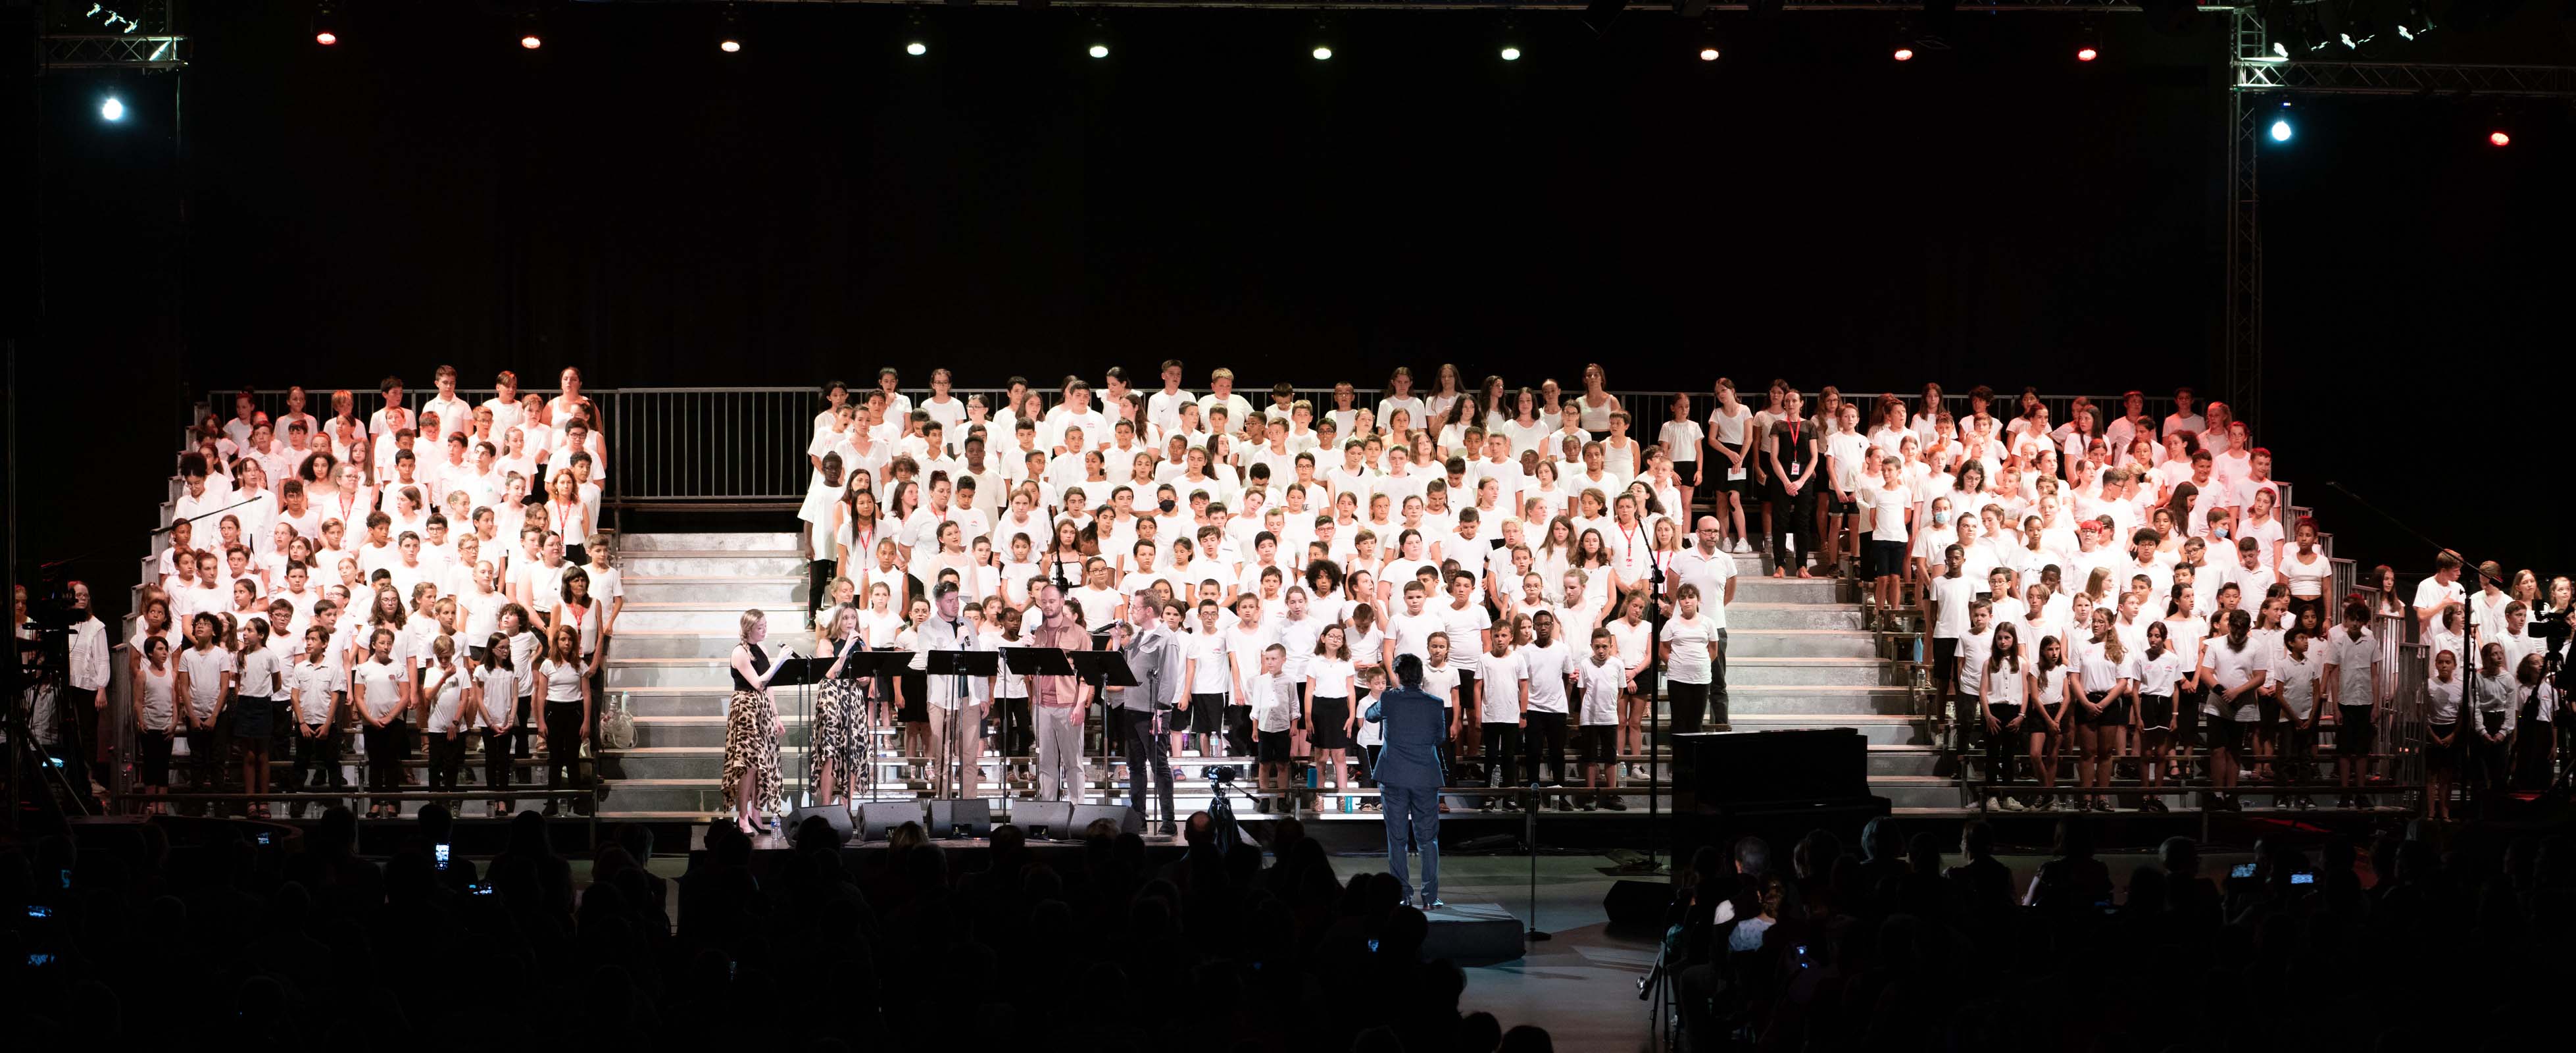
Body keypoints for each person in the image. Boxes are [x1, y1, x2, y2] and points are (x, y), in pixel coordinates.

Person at [1370, 653, 1449, 910]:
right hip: (1425, 776)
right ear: (1420, 675)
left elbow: (1371, 715)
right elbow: (1440, 738)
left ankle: (1402, 894)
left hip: (1394, 775)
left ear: (1398, 675)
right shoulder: (1435, 703)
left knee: (1397, 839)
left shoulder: (1390, 699)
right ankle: (1430, 896)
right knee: (1428, 839)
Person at [910, 582, 985, 801]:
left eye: (956, 599)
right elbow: (931, 660)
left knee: (969, 758)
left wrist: (982, 695)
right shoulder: (927, 628)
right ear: (938, 603)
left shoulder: (967, 624)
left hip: (968, 698)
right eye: (949, 601)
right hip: (941, 700)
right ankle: (943, 805)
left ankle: (969, 806)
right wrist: (957, 641)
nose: (955, 605)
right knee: (942, 758)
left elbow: (978, 659)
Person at [725, 609, 789, 836]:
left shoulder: (760, 649)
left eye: (765, 626)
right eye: (760, 627)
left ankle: (755, 813)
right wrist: (780, 661)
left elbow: (769, 686)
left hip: (761, 708)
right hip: (746, 710)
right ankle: (742, 817)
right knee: (748, 765)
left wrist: (776, 715)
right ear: (749, 629)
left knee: (762, 765)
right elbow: (758, 683)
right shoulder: (740, 652)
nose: (764, 630)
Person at [1028, 581, 1093, 803]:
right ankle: (1048, 810)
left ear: (1062, 601)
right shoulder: (1037, 632)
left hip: (1067, 704)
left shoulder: (1079, 633)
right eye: (1044, 601)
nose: (1048, 605)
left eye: (1052, 601)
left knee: (1073, 762)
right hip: (1041, 705)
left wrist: (1080, 705)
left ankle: (1077, 810)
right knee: (1046, 762)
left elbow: (1087, 674)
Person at [1575, 627, 1628, 810]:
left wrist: (1609, 707)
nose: (1601, 651)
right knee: (1590, 758)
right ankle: (1590, 795)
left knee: (1611, 758)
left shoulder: (1617, 665)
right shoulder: (1585, 664)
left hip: (1609, 718)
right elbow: (1583, 691)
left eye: (1605, 647)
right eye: (1597, 647)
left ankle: (1611, 795)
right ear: (1592, 646)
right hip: (1590, 719)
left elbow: (1620, 691)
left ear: (1611, 647)